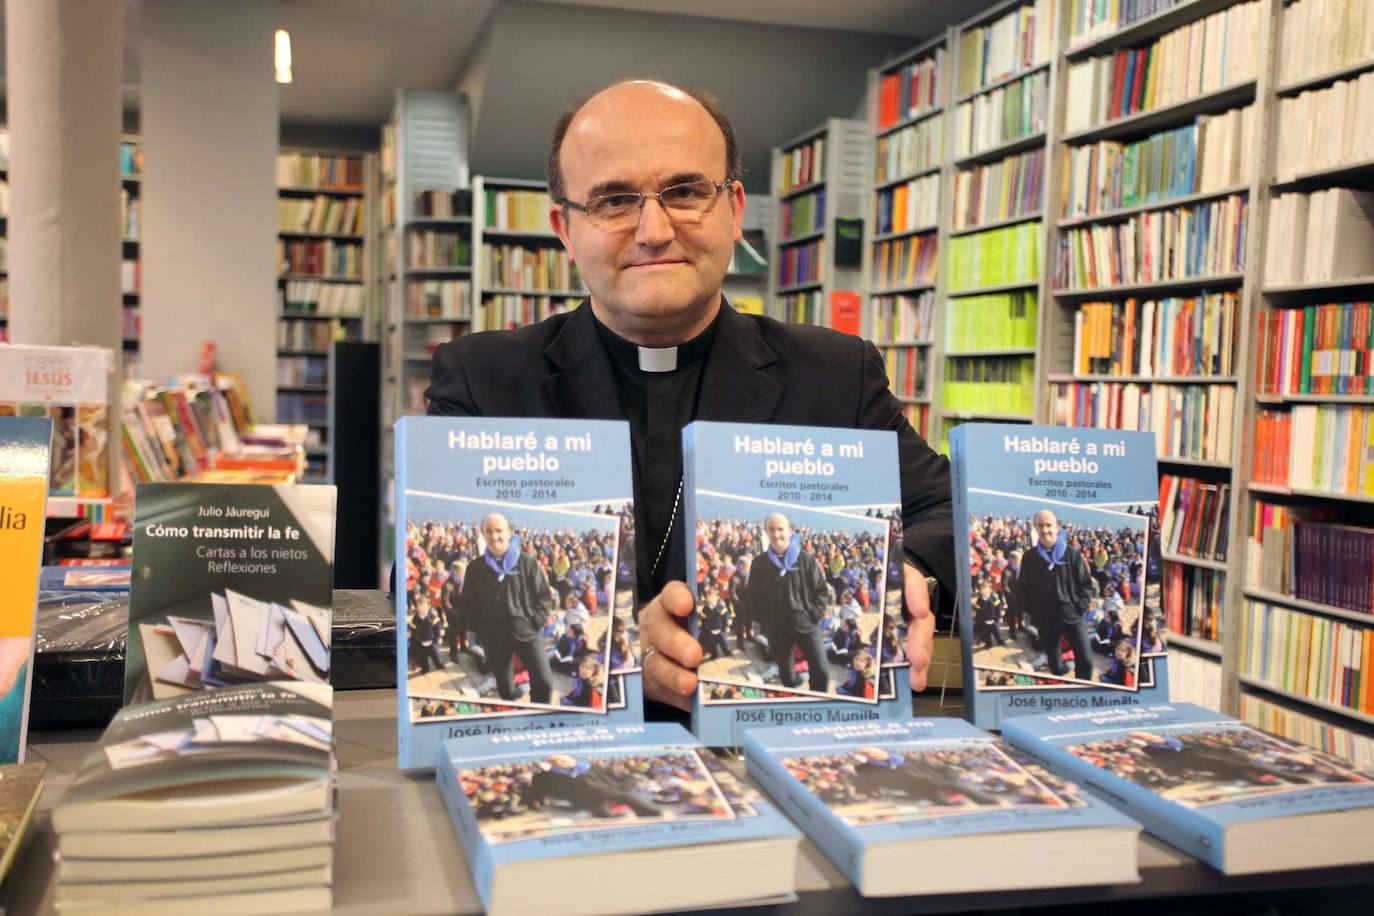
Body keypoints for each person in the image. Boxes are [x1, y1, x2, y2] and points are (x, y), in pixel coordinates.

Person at [425, 79, 952, 713]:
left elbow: (946, 510)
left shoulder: (835, 374)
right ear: (565, 229)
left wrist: (911, 570)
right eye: (614, 200)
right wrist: (620, 648)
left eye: (684, 192)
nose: (653, 230)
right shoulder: (483, 379)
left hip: (772, 737)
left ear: (733, 208)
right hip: (554, 737)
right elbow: (422, 574)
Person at [455, 513, 558, 704]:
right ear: (483, 535)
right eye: (489, 531)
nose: (494, 537)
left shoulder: (527, 562)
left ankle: (539, 711)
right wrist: (480, 631)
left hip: (526, 632)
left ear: (509, 533)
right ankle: (511, 709)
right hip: (495, 638)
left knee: (544, 681)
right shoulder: (475, 568)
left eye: (499, 531)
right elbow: (467, 604)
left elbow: (544, 596)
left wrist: (535, 622)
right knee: (505, 685)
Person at [746, 513, 831, 692]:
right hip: (777, 628)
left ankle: (818, 698)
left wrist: (814, 615)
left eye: (780, 529)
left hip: (806, 624)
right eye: (771, 529)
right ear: (766, 532)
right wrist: (764, 621)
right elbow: (752, 596)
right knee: (786, 671)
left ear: (790, 531)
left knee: (822, 671)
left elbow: (822, 592)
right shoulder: (759, 563)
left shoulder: (806, 560)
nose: (776, 534)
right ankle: (793, 689)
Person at [1014, 510, 1095, 681]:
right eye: (1040, 526)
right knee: (1054, 662)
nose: (1045, 530)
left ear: (1057, 527)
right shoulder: (1030, 557)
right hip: (1046, 619)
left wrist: (1080, 606)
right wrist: (1031, 612)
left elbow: (1086, 585)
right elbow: (1023, 588)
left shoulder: (1072, 554)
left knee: (1086, 659)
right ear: (1035, 528)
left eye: (1049, 525)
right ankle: (1062, 682)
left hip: (1072, 615)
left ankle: (1083, 687)